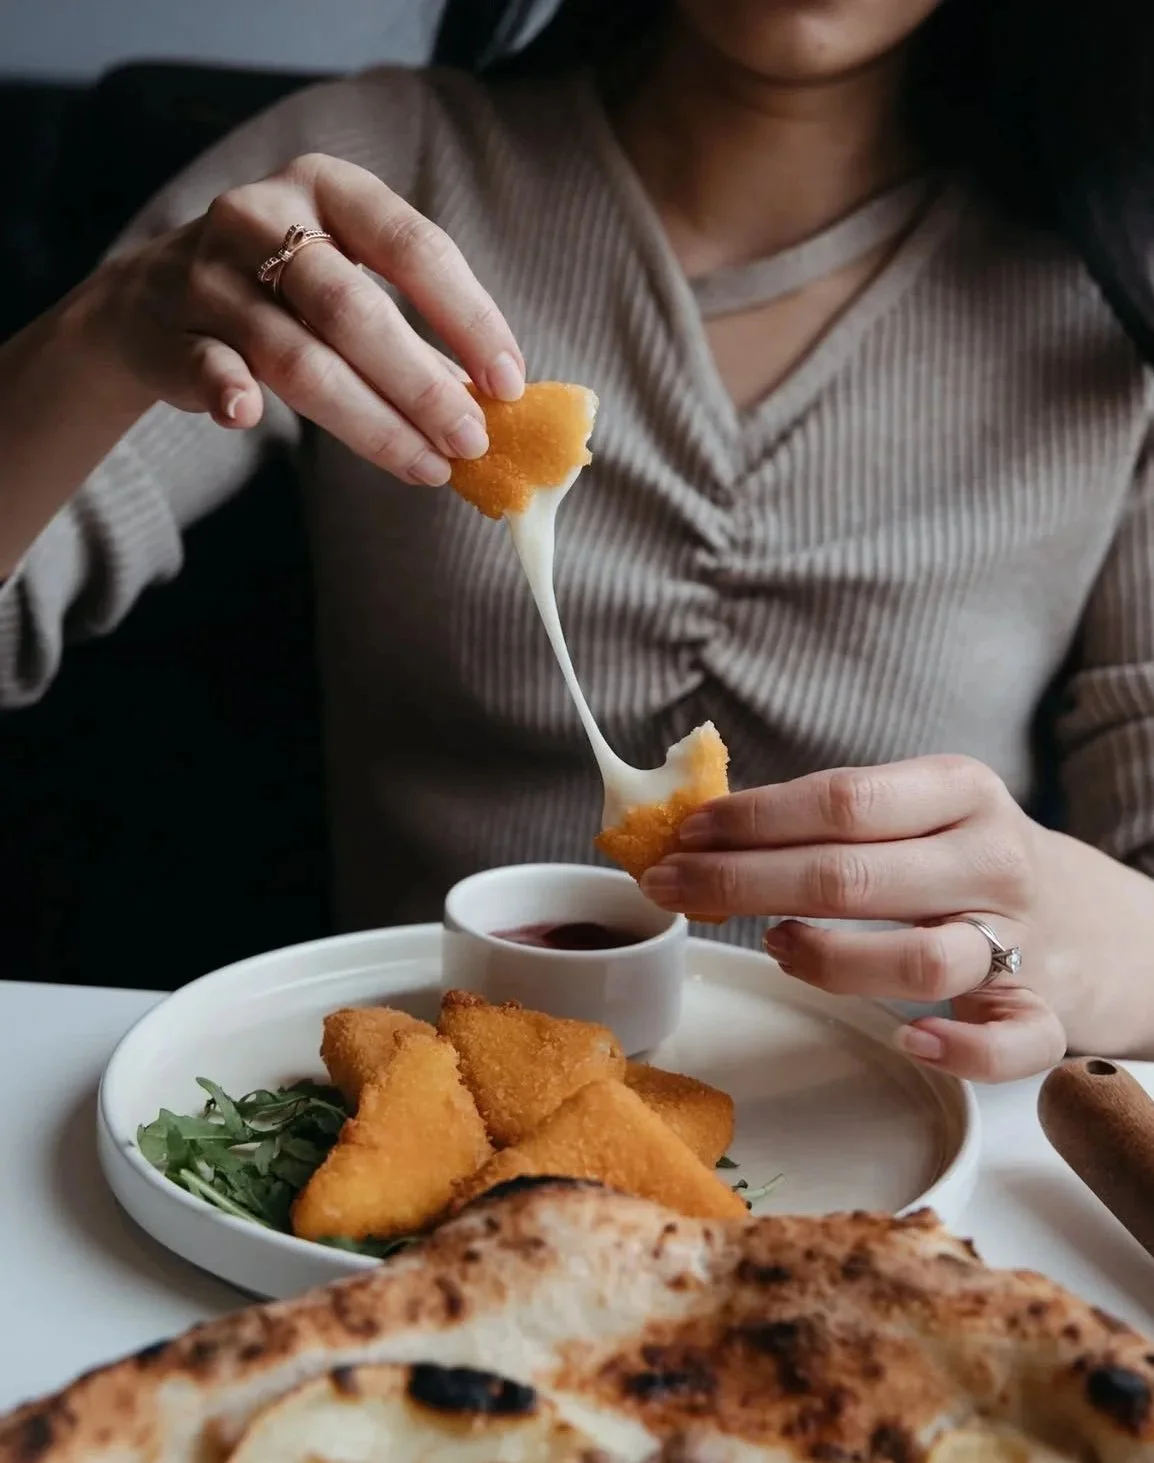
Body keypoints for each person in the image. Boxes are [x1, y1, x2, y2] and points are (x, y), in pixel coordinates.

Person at [2, 0, 1153, 1082]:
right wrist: (96, 340)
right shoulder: (373, 181)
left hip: (907, 1165)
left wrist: (1090, 935)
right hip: (423, 1141)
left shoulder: (1115, 296)